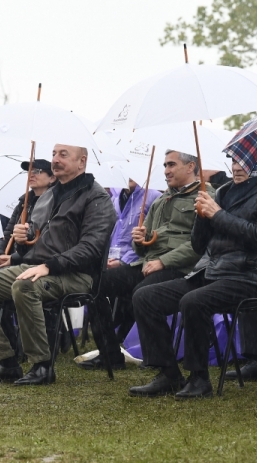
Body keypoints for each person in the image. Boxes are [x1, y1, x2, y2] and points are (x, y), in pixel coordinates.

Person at [129, 161, 257, 399]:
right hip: (210, 271)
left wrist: (217, 214)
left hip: (250, 277)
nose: (237, 166)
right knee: (145, 297)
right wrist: (201, 218)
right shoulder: (223, 192)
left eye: (244, 162)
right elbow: (198, 245)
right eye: (233, 160)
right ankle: (168, 374)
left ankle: (199, 379)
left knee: (193, 301)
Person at [0, 144, 116, 386]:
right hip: (36, 267)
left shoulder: (96, 197)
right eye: (54, 154)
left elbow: (91, 248)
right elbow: (34, 245)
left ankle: (42, 366)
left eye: (63, 155)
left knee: (23, 286)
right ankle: (5, 361)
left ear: (82, 162)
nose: (55, 160)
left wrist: (49, 266)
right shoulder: (49, 196)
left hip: (77, 274)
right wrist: (23, 240)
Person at [81, 151, 206, 370]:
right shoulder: (162, 199)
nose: (166, 170)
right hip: (147, 263)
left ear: (190, 167)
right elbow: (144, 244)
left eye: (171, 165)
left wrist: (163, 261)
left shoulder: (205, 197)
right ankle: (110, 353)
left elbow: (199, 245)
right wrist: (140, 240)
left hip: (182, 268)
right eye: (165, 165)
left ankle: (158, 362)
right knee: (95, 283)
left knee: (142, 293)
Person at [0, 158, 55, 268]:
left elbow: (46, 242)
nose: (31, 175)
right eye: (29, 171)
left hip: (35, 265)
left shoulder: (55, 204)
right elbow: (7, 233)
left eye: (37, 171)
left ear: (52, 178)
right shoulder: (23, 203)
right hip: (11, 262)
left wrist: (15, 258)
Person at [106, 179, 162, 268]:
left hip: (137, 262)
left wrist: (124, 261)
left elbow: (154, 235)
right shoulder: (114, 198)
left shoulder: (155, 197)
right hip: (110, 259)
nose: (130, 177)